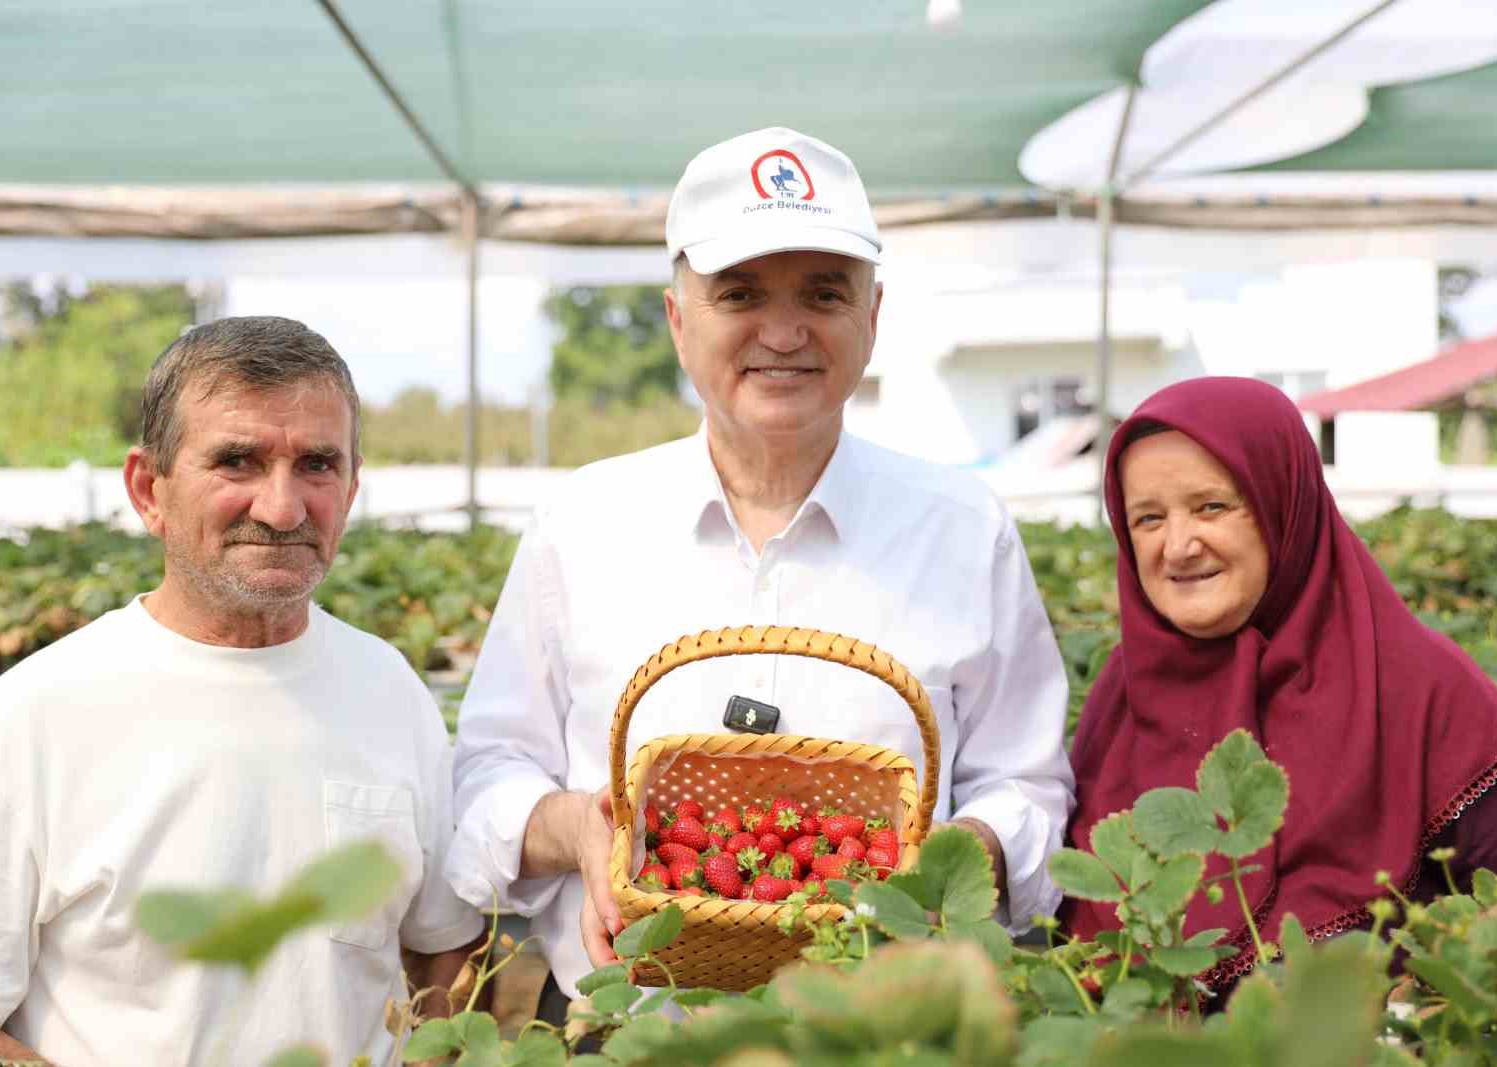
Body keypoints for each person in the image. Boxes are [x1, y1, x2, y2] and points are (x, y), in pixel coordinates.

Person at [447, 127, 1075, 1018]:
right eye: (739, 292)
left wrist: (960, 853)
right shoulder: (582, 525)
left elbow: (1029, 784)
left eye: (824, 292)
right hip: (626, 1026)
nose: (783, 332)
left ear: (873, 315)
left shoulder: (966, 531)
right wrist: (580, 827)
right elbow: (489, 773)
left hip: (881, 1029)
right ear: (677, 319)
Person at [0, 317, 485, 1064]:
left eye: (317, 464)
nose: (282, 508)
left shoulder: (390, 690)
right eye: (237, 461)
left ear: (353, 484)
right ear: (150, 489)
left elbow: (445, 949)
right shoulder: (33, 716)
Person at [1064, 376, 1497, 988]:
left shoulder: (1420, 688)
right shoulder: (1123, 695)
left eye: (1211, 506)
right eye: (1147, 518)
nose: (1178, 545)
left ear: (1284, 503)